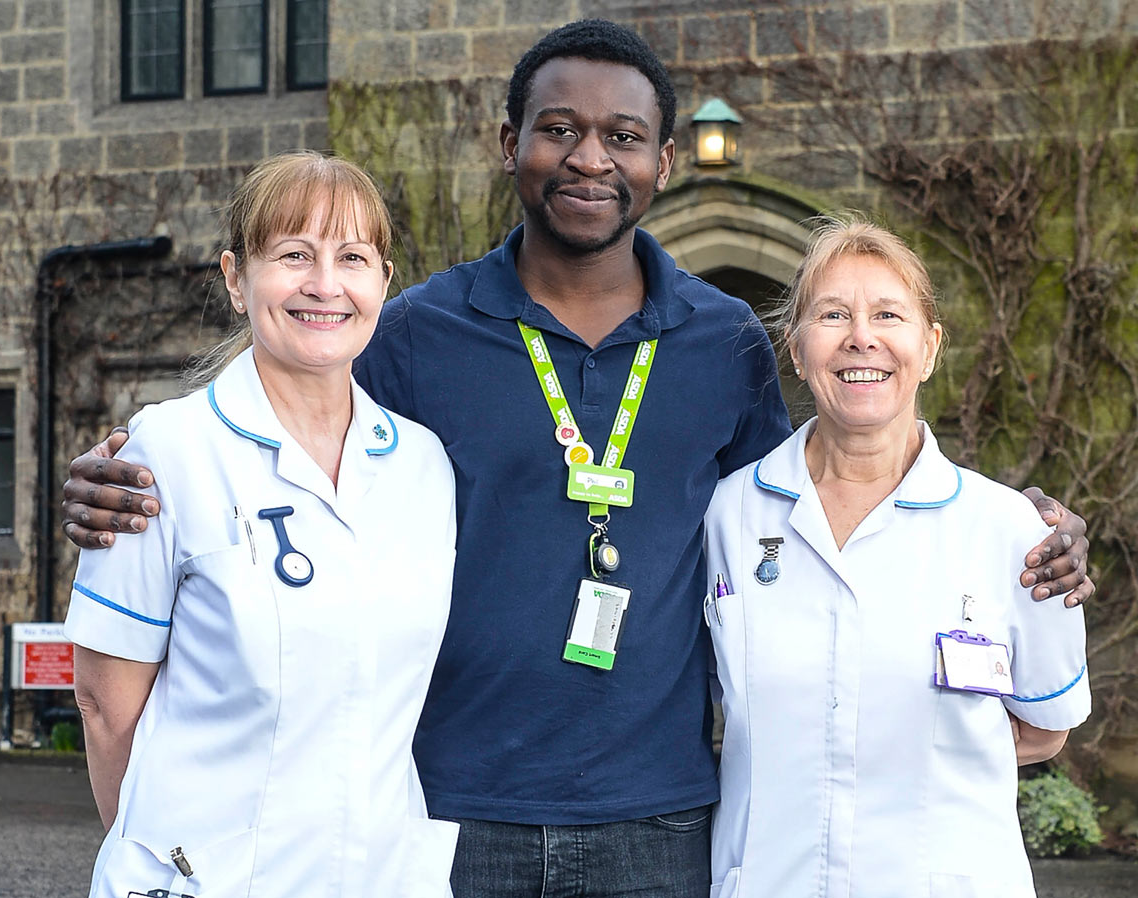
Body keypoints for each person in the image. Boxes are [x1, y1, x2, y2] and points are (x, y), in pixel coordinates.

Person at [60, 20, 1092, 897]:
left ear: (664, 161)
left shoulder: (725, 337)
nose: (590, 157)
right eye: (559, 129)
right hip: (451, 812)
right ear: (509, 143)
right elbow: (288, 422)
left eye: (624, 136)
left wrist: (1011, 530)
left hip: (661, 816)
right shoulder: (416, 332)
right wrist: (124, 469)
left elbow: (811, 520)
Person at [65, 151, 459, 898]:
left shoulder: (422, 466)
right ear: (236, 279)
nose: (324, 284)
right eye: (293, 255)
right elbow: (103, 703)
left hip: (381, 874)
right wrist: (162, 851)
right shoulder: (163, 454)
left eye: (352, 257)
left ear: (382, 283)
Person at [703, 217, 1090, 898]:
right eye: (832, 314)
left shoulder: (1009, 529)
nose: (862, 336)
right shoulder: (728, 515)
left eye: (889, 313)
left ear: (930, 347)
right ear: (796, 349)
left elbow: (1044, 729)